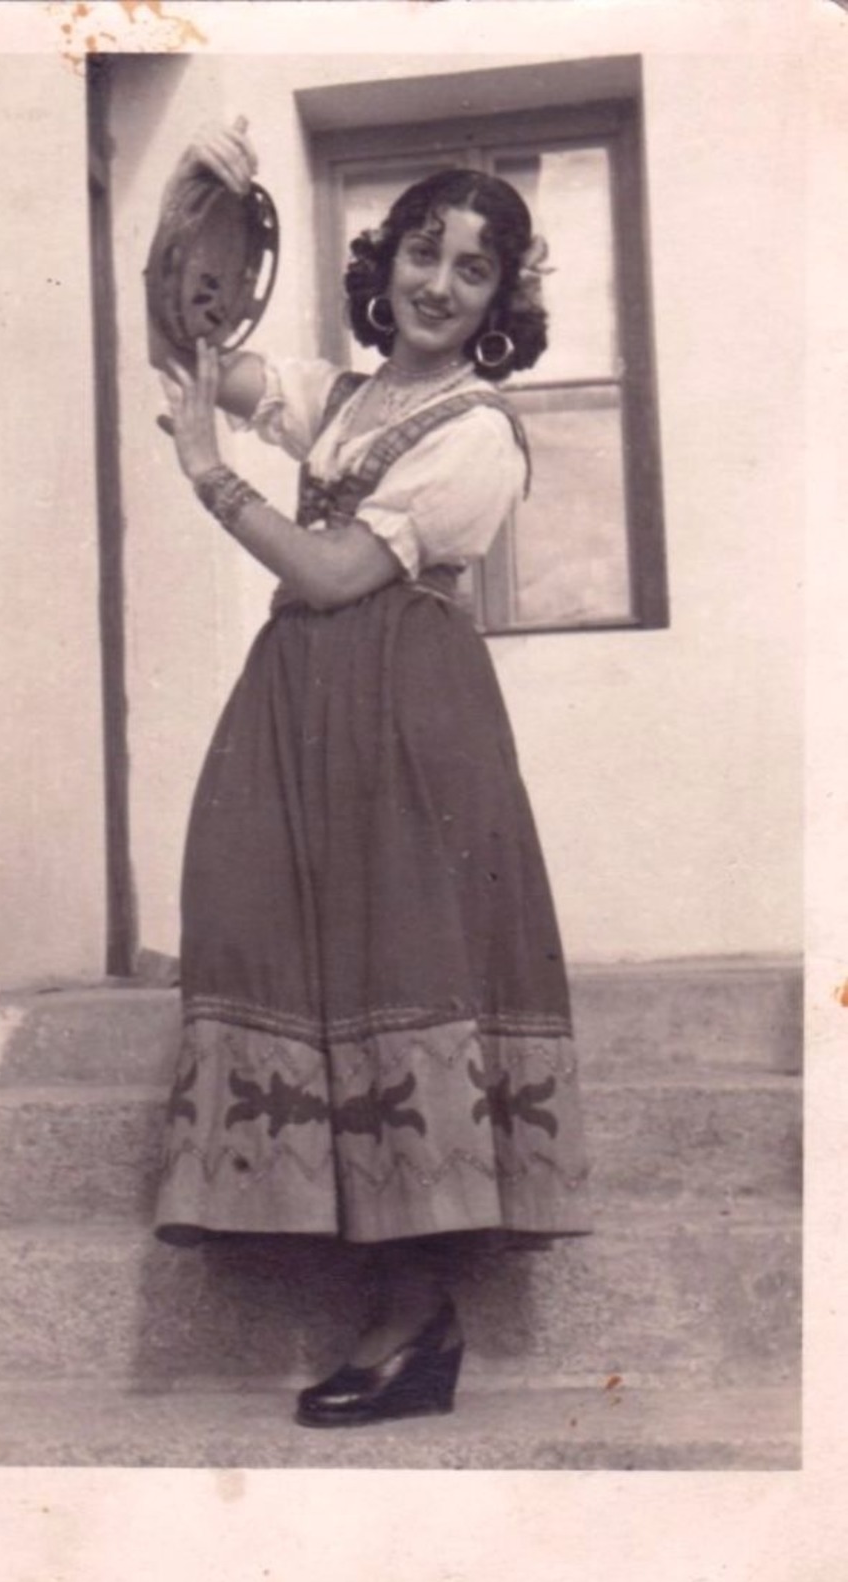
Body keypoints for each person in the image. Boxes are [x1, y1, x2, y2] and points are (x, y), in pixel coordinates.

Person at [152, 118, 591, 1428]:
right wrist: (203, 211)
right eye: (423, 250)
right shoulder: (342, 399)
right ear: (381, 257)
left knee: (398, 971)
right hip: (298, 715)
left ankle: (417, 1323)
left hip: (407, 723)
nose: (440, 283)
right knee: (293, 956)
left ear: (501, 303)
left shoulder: (479, 434)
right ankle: (397, 1316)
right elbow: (193, 348)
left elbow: (340, 573)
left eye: (473, 269)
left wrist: (210, 479)